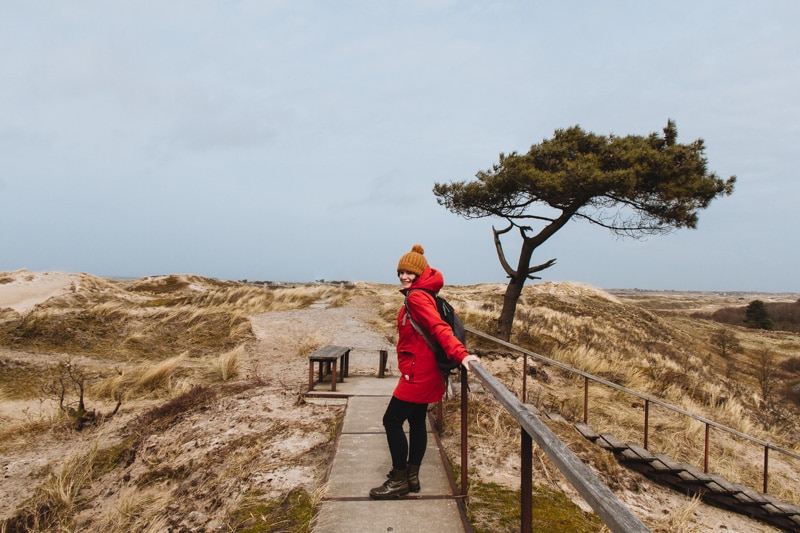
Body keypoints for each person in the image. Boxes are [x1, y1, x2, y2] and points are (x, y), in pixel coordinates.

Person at [369, 244, 480, 500]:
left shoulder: (417, 297)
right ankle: (411, 477)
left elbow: (440, 328)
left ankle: (398, 480)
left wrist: (461, 354)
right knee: (417, 420)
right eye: (401, 272)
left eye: (409, 273)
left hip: (418, 374)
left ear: (420, 274)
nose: (403, 277)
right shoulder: (425, 293)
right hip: (425, 371)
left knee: (391, 421)